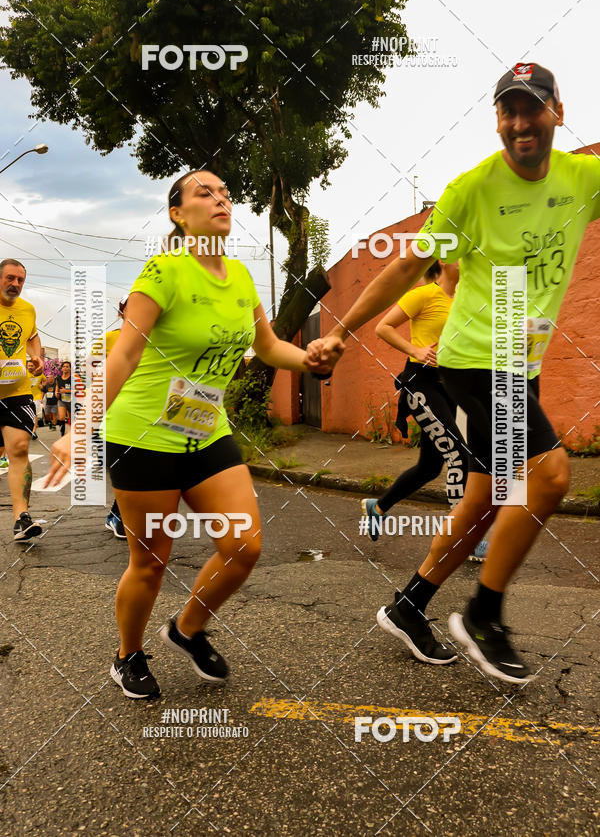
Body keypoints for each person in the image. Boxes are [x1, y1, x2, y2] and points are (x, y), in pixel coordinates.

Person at [308, 63, 600, 684]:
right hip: (475, 360)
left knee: (488, 497)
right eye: (508, 111)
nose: (520, 122)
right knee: (548, 476)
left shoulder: (584, 178)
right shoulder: (471, 190)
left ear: (558, 111)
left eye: (532, 107)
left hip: (521, 362)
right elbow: (403, 267)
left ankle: (410, 604)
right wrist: (338, 332)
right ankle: (484, 614)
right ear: (497, 121)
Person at [47, 168, 329, 699]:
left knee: (244, 546)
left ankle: (186, 628)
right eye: (205, 192)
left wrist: (309, 358)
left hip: (206, 432)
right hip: (144, 436)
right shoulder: (164, 271)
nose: (221, 199)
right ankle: (128, 654)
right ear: (178, 214)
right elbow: (124, 355)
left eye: (225, 192)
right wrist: (79, 428)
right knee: (150, 563)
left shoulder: (241, 277)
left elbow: (268, 347)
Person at [361, 260, 467, 548]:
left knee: (429, 467)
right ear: (443, 260)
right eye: (461, 254)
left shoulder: (464, 299)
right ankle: (464, 534)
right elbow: (383, 327)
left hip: (448, 386)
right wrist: (415, 350)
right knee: (458, 453)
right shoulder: (424, 294)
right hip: (421, 384)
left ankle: (377, 508)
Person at [0, 258, 44, 541]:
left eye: (20, 280)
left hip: (17, 393)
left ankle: (21, 518)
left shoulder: (27, 309)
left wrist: (37, 357)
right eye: (10, 278)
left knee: (18, 449)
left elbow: (32, 336)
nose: (15, 284)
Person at [103, 295, 129, 539]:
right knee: (126, 463)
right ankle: (120, 515)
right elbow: (91, 370)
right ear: (121, 313)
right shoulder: (110, 339)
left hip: (149, 408)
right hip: (117, 409)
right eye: (128, 308)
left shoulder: (156, 339)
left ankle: (117, 513)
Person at [27, 359, 45, 440]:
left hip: (36, 396)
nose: (30, 367)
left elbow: (45, 380)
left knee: (35, 414)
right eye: (29, 366)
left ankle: (33, 431)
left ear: (35, 366)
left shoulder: (39, 373)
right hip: (26, 396)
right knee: (28, 414)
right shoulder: (24, 373)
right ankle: (28, 430)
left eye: (32, 366)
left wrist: (42, 386)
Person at [56, 360, 72, 436]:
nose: (65, 368)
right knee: (62, 417)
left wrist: (66, 391)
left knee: (71, 419)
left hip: (71, 401)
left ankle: (72, 433)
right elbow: (57, 387)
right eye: (64, 366)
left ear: (70, 368)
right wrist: (56, 393)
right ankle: (62, 434)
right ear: (61, 368)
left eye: (67, 367)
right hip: (62, 400)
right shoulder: (58, 378)